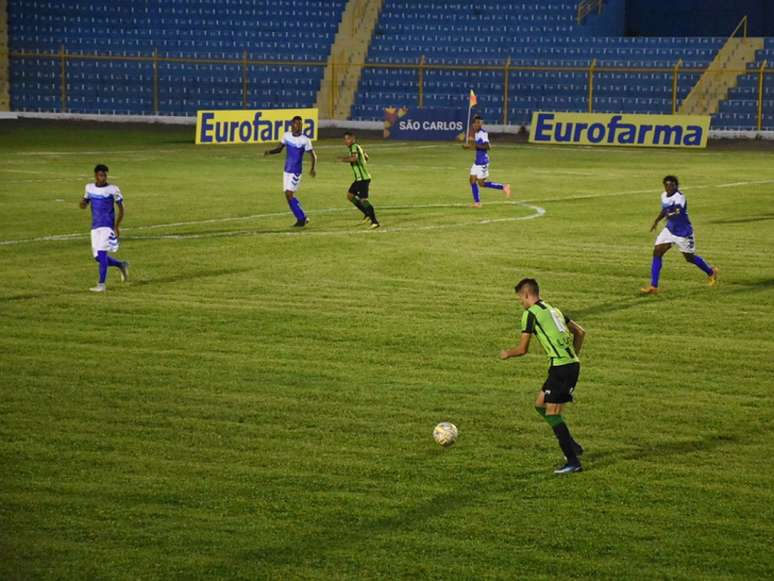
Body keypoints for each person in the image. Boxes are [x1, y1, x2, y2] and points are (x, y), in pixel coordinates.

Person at [500, 278, 586, 474]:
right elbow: (580, 333)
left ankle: (573, 462)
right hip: (564, 365)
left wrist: (507, 353)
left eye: (520, 299)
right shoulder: (554, 310)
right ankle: (573, 446)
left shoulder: (530, 314)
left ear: (527, 295)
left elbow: (523, 349)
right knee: (540, 405)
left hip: (562, 368)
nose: (521, 303)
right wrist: (572, 356)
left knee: (553, 413)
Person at [641, 175, 718, 294]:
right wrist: (657, 220)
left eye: (672, 185)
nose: (669, 187)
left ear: (677, 186)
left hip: (683, 232)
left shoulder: (680, 197)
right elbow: (665, 210)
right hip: (670, 229)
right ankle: (654, 286)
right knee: (657, 252)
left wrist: (668, 214)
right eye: (666, 185)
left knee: (689, 258)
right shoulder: (663, 195)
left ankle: (711, 272)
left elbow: (677, 211)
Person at [79, 164, 129, 292]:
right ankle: (121, 264)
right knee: (98, 258)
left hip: (107, 226)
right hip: (95, 226)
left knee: (102, 254)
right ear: (96, 175)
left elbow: (122, 209)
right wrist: (83, 203)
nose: (103, 178)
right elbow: (84, 202)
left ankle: (101, 285)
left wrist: (116, 226)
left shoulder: (113, 189)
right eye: (101, 175)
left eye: (105, 175)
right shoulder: (89, 188)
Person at [264, 115, 317, 227]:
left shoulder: (305, 140)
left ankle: (302, 218)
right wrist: (270, 152)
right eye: (296, 124)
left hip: (296, 171)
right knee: (288, 196)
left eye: (300, 124)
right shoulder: (286, 136)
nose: (298, 126)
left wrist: (312, 168)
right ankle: (301, 218)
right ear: (292, 125)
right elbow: (279, 149)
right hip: (286, 170)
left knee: (289, 194)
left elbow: (313, 156)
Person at [462, 114, 511, 208]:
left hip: (483, 162)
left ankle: (504, 187)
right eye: (476, 123)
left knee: (482, 183)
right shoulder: (475, 133)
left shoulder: (482, 133)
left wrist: (475, 145)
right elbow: (477, 147)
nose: (478, 125)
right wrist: (468, 147)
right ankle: (477, 203)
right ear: (473, 124)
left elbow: (488, 147)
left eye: (479, 123)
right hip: (477, 161)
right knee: (472, 180)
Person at [340, 131, 379, 229]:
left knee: (363, 200)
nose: (346, 141)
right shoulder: (357, 147)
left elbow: (354, 159)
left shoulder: (354, 147)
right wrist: (363, 160)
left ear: (353, 139)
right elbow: (366, 157)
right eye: (345, 139)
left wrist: (343, 159)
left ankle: (375, 221)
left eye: (348, 139)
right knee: (350, 196)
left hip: (363, 179)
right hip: (359, 179)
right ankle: (366, 213)